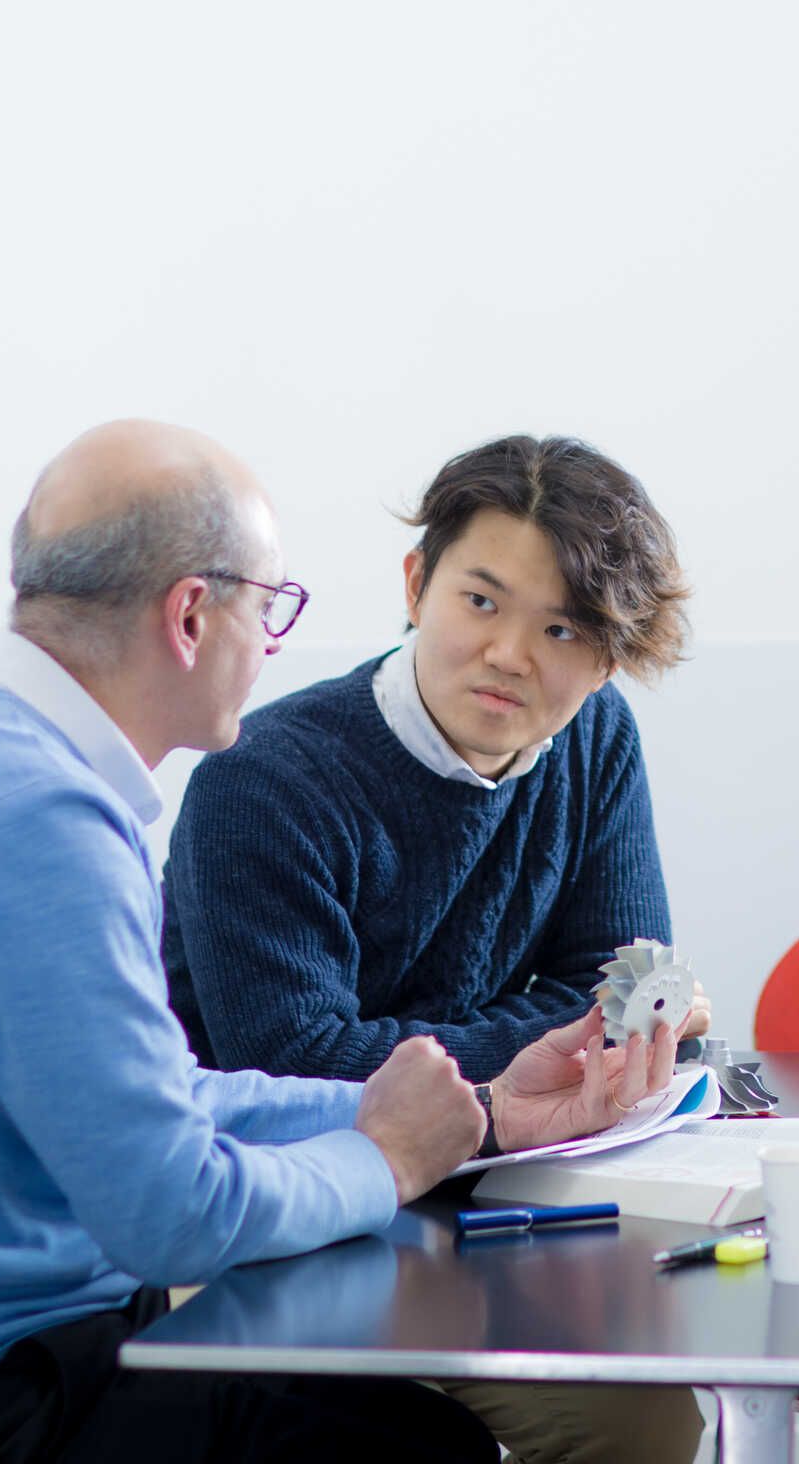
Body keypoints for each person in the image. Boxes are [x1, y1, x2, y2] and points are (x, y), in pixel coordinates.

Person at [0, 421, 678, 1464]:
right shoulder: (37, 820)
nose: (270, 645)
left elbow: (165, 1095)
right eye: (268, 609)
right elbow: (172, 1208)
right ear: (190, 614)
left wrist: (477, 1114)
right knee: (418, 1446)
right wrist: (386, 1153)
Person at [159, 433, 706, 1464]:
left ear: (609, 655)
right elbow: (298, 1059)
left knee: (647, 1415)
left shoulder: (595, 740)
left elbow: (623, 990)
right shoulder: (263, 778)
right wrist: (543, 1049)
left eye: (562, 627)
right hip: (281, 1218)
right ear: (417, 583)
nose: (510, 653)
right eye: (483, 601)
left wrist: (545, 1046)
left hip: (486, 1208)